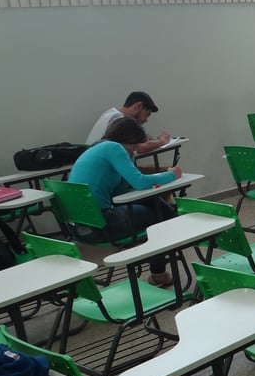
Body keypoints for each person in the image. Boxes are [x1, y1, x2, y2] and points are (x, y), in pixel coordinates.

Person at [68, 117, 182, 286]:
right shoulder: (114, 148)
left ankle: (157, 257)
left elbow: (120, 192)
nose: (134, 151)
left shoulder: (97, 148)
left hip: (80, 229)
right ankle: (159, 272)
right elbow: (140, 182)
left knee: (156, 204)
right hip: (103, 225)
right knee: (161, 214)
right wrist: (172, 174)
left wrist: (130, 164)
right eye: (134, 147)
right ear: (128, 139)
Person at [86, 91, 170, 154]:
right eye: (147, 114)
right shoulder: (119, 119)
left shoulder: (111, 113)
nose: (146, 120)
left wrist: (152, 140)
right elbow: (139, 148)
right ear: (138, 106)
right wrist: (162, 141)